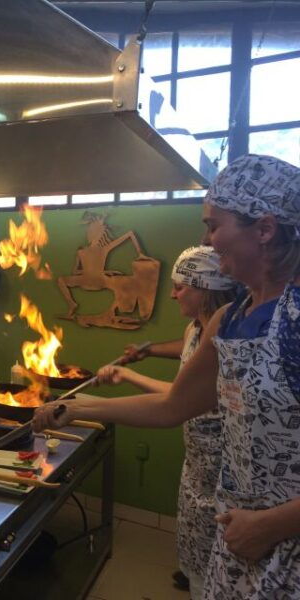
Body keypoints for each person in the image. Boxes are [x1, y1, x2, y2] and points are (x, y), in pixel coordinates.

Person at [34, 154, 300, 599]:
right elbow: (173, 405)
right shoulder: (230, 319)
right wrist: (75, 408)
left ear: (265, 230)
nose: (207, 240)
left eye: (214, 226)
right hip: (239, 534)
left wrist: (272, 524)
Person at [94, 246, 236, 597]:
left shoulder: (227, 336)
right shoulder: (195, 328)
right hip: (196, 457)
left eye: (179, 287)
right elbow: (186, 351)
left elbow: (177, 399)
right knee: (194, 535)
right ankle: (194, 577)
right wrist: (147, 351)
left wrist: (120, 380)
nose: (172, 294)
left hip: (222, 464)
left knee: (218, 549)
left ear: (204, 288)